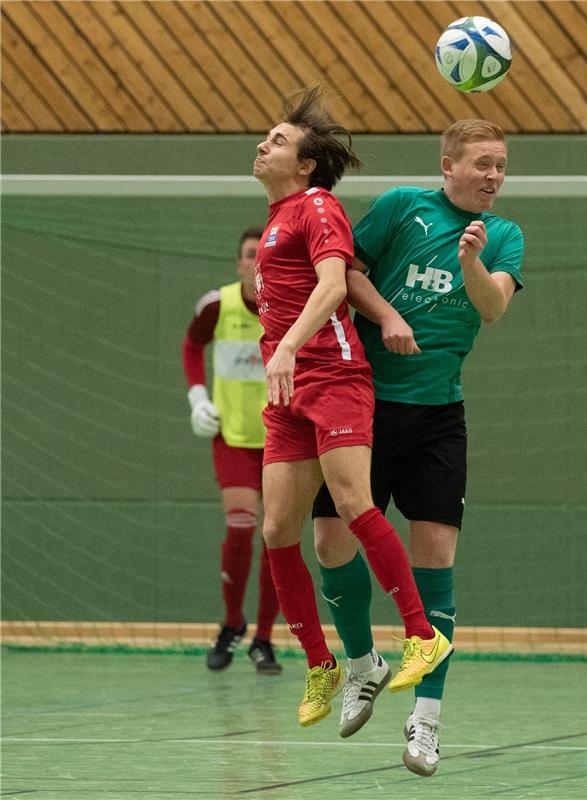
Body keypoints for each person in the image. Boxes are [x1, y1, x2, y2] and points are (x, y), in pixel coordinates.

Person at [312, 119, 525, 775]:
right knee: (329, 543)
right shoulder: (403, 206)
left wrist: (469, 262)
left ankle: (426, 723)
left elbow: (492, 310)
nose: (494, 176)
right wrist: (389, 314)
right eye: (483, 163)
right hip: (365, 406)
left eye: (502, 166)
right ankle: (361, 662)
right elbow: (346, 272)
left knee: (435, 561)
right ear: (448, 163)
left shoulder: (505, 236)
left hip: (438, 417)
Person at [252, 86, 452, 727]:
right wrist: (280, 359)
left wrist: (285, 348)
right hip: (286, 390)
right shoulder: (276, 221)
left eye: (278, 140)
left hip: (334, 376)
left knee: (352, 503)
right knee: (279, 530)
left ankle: (421, 634)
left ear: (307, 164)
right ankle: (323, 664)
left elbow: (336, 283)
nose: (263, 144)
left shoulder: (319, 207)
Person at [182, 227, 282, 675]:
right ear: (239, 263)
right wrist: (198, 396)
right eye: (249, 254)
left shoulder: (290, 306)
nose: (256, 261)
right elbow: (191, 347)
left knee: (277, 537)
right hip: (234, 437)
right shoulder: (216, 306)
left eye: (264, 254)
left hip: (282, 437)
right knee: (241, 528)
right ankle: (230, 622)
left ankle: (264, 637)